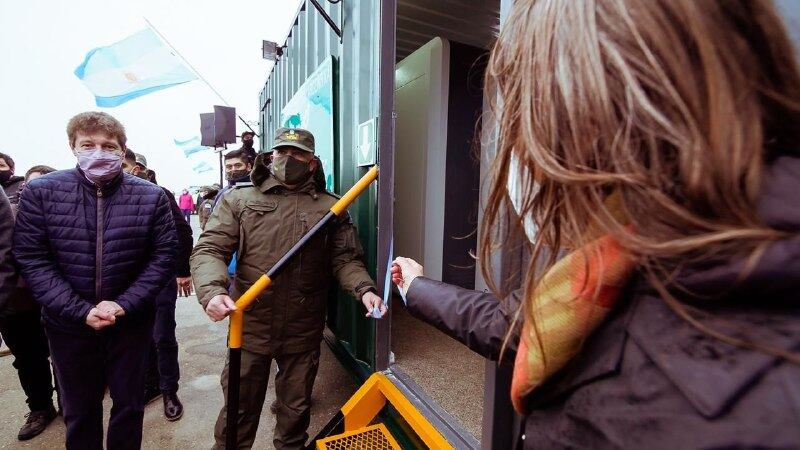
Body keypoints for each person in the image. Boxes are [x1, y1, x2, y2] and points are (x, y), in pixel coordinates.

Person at [391, 1, 800, 448]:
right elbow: (517, 324)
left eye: (527, 123)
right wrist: (417, 286)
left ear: (585, 121)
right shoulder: (630, 245)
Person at [191, 127, 387, 450]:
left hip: (302, 330)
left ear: (312, 163)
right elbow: (209, 250)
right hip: (250, 327)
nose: (288, 159)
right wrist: (213, 292)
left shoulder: (332, 208)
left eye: (298, 154)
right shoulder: (240, 199)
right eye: (282, 152)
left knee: (294, 416)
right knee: (237, 415)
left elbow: (345, 260)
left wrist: (364, 289)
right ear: (270, 157)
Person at [13, 111, 177, 450]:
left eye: (108, 145)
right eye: (88, 144)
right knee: (79, 410)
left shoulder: (151, 196)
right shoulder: (41, 192)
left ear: (122, 150)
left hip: (130, 323)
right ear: (73, 146)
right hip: (68, 325)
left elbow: (162, 257)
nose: (98, 152)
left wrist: (123, 303)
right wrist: (78, 310)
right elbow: (32, 258)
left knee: (129, 407)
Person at [122, 150, 193, 421]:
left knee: (162, 335)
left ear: (138, 168)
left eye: (124, 164)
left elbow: (182, 232)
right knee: (138, 336)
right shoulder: (107, 194)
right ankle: (150, 385)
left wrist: (182, 271)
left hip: (160, 277)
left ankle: (168, 390)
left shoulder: (159, 194)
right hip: (126, 280)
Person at [0, 164, 59, 441]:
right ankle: (40, 407)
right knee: (28, 359)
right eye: (31, 186)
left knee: (64, 356)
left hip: (58, 300)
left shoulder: (67, 212)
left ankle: (72, 403)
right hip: (16, 302)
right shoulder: (13, 208)